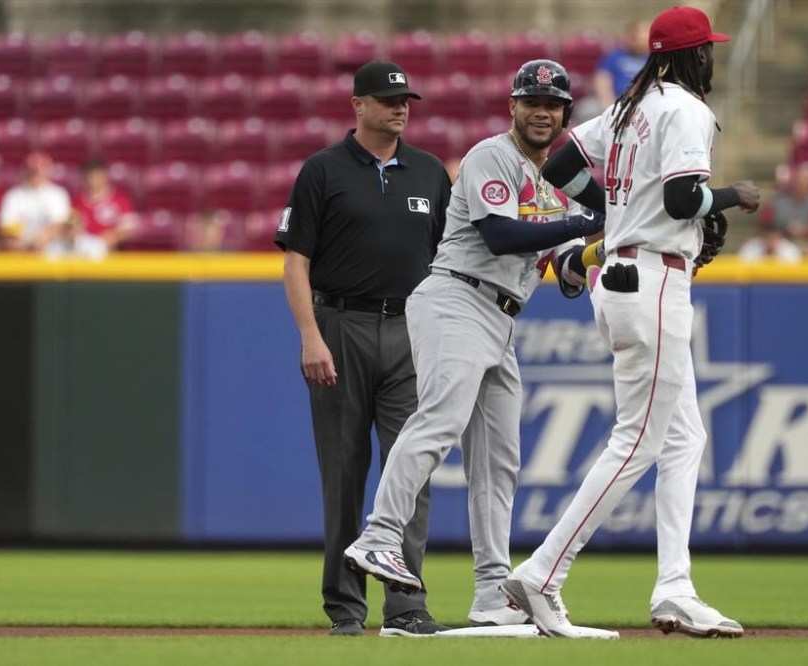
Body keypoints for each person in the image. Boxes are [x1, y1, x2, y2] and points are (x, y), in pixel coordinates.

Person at [501, 6, 760, 639]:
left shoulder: (628, 107)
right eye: (707, 49)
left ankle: (674, 586)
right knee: (638, 440)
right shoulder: (685, 109)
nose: (712, 58)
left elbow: (559, 165)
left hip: (623, 274)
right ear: (694, 56)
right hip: (652, 279)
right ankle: (541, 574)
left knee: (684, 437)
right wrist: (734, 195)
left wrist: (616, 215)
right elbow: (682, 199)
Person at [342, 60, 605, 630]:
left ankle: (491, 590)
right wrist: (585, 220)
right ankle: (379, 535)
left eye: (552, 103)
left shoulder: (557, 184)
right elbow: (502, 234)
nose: (541, 111)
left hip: (503, 317)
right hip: (456, 298)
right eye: (531, 101)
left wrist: (601, 249)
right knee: (439, 420)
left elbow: (563, 272)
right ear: (512, 107)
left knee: (499, 461)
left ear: (565, 114)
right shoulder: (493, 155)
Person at [274, 60, 452, 637]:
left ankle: (406, 605)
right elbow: (295, 260)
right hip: (340, 326)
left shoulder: (428, 172)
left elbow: (450, 259)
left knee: (411, 470)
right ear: (357, 105)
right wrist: (309, 334)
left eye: (405, 100)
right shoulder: (322, 170)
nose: (400, 107)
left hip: (411, 328)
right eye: (386, 99)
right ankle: (345, 609)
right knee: (344, 473)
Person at [0, 152, 71, 252]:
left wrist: (41, 240)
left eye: (40, 170)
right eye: (32, 171)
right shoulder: (13, 195)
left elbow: (59, 224)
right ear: (25, 171)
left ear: (47, 170)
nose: (36, 174)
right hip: (19, 248)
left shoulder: (57, 194)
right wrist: (25, 246)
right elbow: (7, 226)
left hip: (51, 248)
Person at [760, 163, 808, 255]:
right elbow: (764, 225)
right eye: (798, 183)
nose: (801, 187)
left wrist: (804, 231)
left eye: (805, 184)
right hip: (781, 240)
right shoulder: (778, 201)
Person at [72, 158, 138, 252]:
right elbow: (72, 227)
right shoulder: (77, 202)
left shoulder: (121, 200)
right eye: (91, 177)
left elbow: (129, 228)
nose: (94, 180)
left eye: (98, 176)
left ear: (105, 176)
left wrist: (114, 235)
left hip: (112, 251)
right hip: (83, 250)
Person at [594, 20, 651, 108]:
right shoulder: (614, 56)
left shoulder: (654, 59)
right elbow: (602, 81)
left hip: (648, 103)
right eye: (635, 35)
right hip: (617, 102)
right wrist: (610, 105)